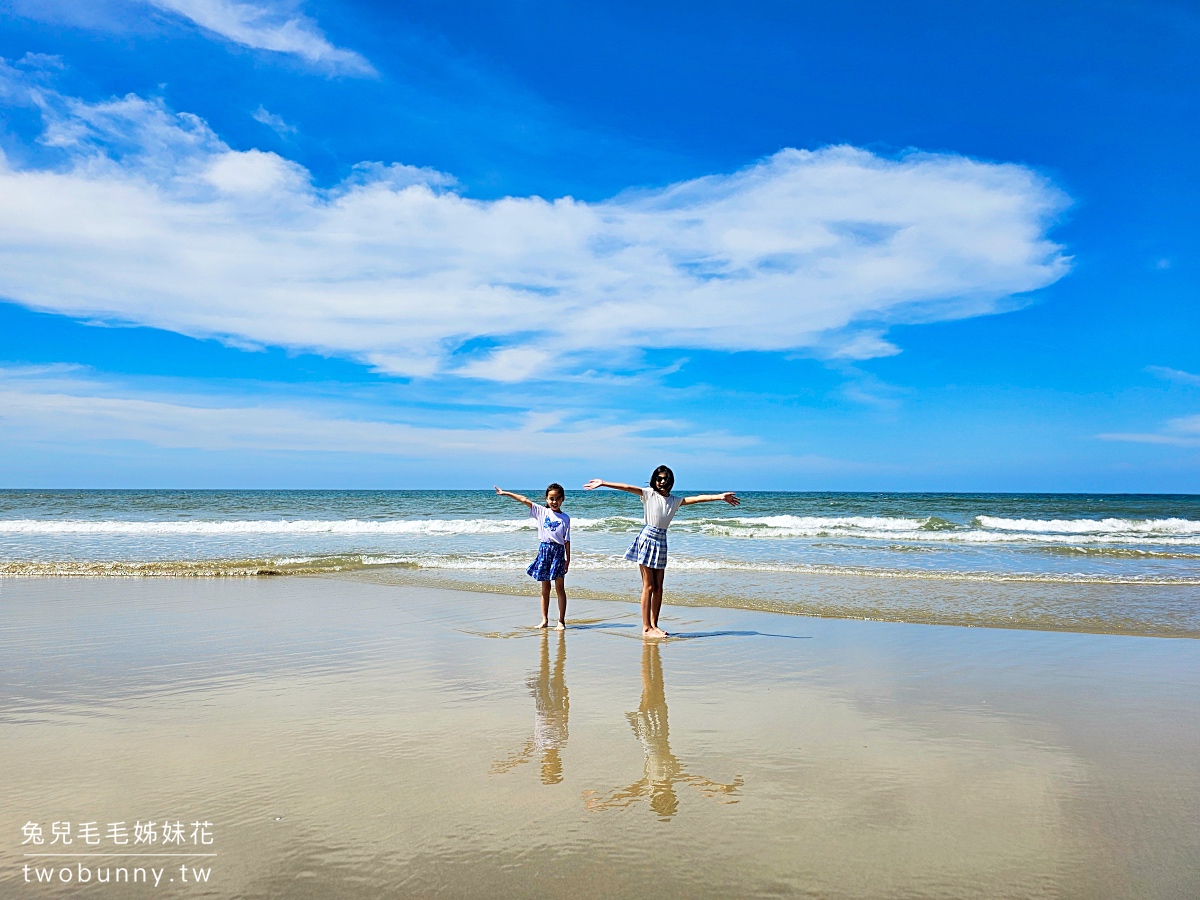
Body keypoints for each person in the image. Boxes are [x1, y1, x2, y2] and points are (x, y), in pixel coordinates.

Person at [584, 466, 738, 637]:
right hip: (647, 539)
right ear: (654, 480)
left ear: (670, 481)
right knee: (648, 586)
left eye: (665, 479)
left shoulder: (674, 500)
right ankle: (646, 627)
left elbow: (698, 498)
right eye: (659, 478)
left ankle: (654, 625)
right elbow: (627, 487)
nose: (662, 482)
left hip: (662, 541)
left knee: (658, 588)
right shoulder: (648, 494)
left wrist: (720, 497)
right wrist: (603, 483)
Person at [495, 483, 571, 629]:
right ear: (547, 499)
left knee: (560, 588)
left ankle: (561, 621)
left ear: (562, 499)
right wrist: (506, 493)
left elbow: (567, 540)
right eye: (551, 498)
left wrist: (568, 559)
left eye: (557, 499)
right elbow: (524, 499)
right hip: (544, 550)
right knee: (545, 588)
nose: (554, 502)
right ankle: (545, 620)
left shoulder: (565, 518)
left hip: (558, 552)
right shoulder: (541, 511)